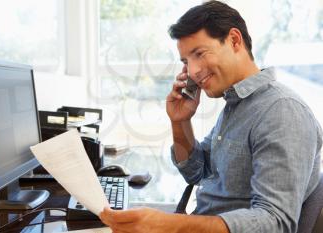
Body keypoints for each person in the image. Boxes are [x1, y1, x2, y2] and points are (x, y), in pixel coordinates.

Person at [100, 1, 322, 232]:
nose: (193, 71)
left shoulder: (281, 111)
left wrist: (171, 225)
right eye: (186, 62)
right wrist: (180, 121)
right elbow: (195, 171)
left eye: (199, 54)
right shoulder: (237, 106)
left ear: (234, 40)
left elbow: (275, 223)